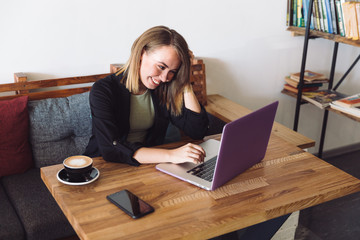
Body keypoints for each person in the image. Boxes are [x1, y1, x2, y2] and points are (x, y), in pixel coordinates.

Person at [84, 26, 209, 166]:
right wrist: (171, 155)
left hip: (148, 166)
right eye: (161, 67)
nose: (164, 78)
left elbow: (197, 131)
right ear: (142, 53)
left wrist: (184, 79)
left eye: (172, 71)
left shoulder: (164, 88)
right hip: (105, 167)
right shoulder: (104, 90)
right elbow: (111, 148)